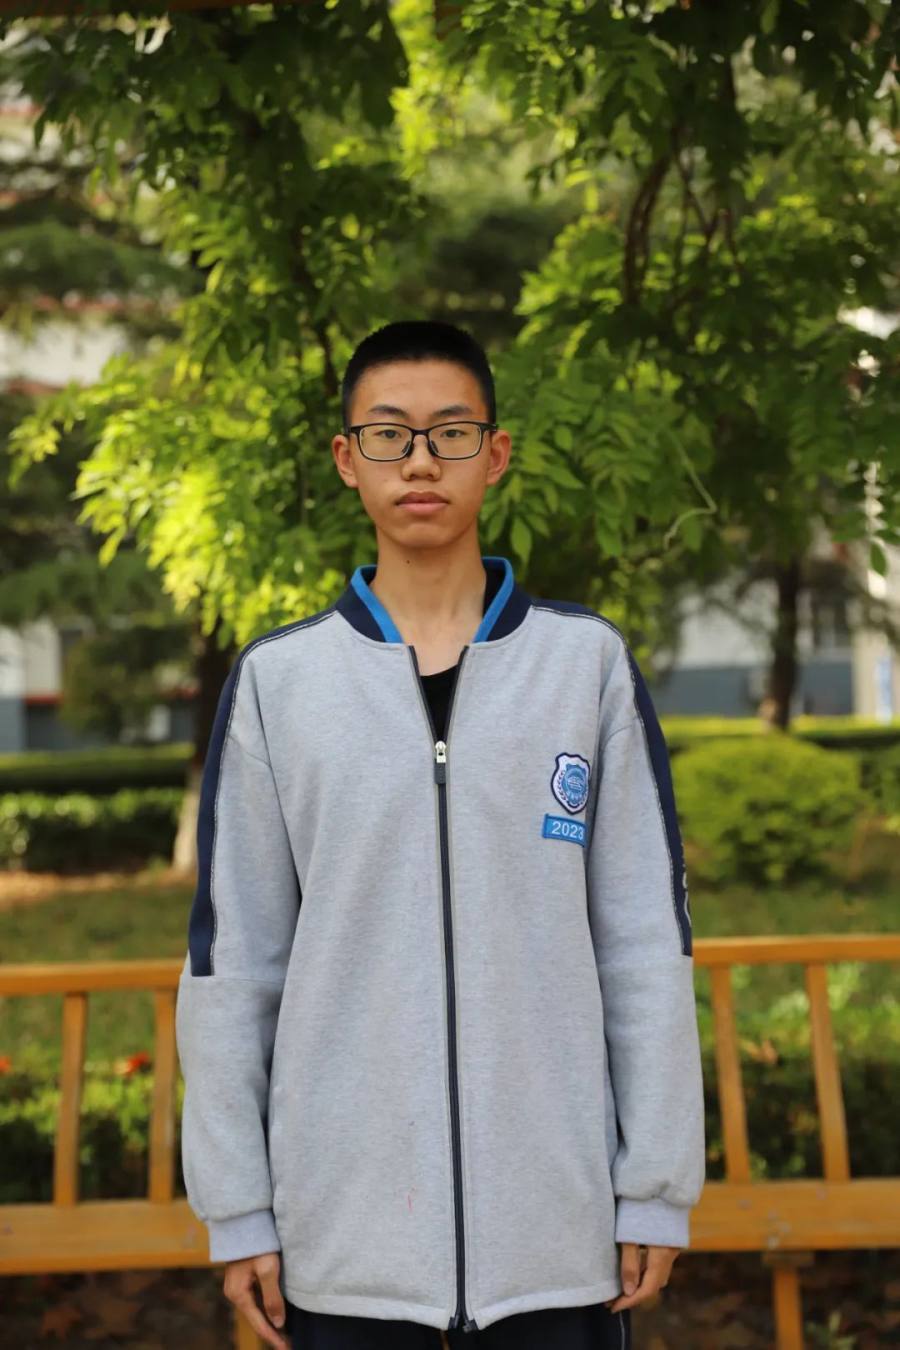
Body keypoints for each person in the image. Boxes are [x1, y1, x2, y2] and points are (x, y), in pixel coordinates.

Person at [174, 319, 706, 1350]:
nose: (420, 461)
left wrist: (653, 1187)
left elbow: (644, 941)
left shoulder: (584, 667)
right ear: (348, 460)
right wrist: (238, 1209)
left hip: (560, 1241)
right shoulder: (281, 685)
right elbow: (236, 965)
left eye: (450, 433)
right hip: (346, 1246)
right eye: (389, 434)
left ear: (494, 455)